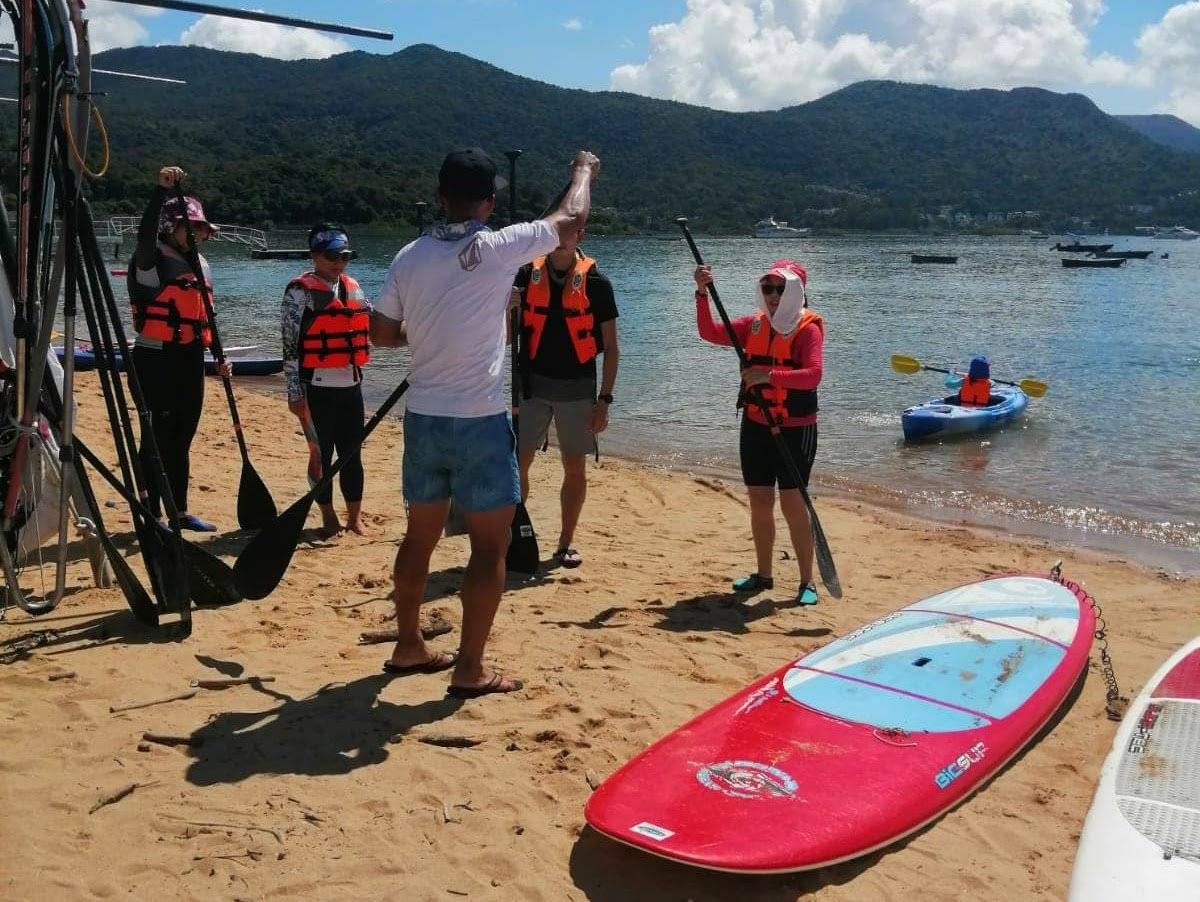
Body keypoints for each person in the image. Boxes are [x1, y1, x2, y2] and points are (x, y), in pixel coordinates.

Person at [371, 147, 600, 697]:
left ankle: (408, 646)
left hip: (424, 418)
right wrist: (583, 172)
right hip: (478, 421)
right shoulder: (498, 247)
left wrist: (425, 335)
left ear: (439, 197)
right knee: (488, 551)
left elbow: (380, 334)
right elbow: (572, 221)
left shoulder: (408, 256)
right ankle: (469, 669)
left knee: (419, 539)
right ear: (489, 203)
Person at [694, 259, 824, 606]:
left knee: (793, 503)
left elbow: (812, 375)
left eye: (781, 289)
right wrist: (701, 293)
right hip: (756, 425)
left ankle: (807, 581)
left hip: (795, 429)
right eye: (767, 288)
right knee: (760, 501)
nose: (773, 295)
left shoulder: (807, 330)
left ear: (797, 291)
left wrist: (769, 375)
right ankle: (764, 575)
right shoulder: (752, 325)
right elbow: (709, 332)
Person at [127, 165, 230, 532]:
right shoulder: (150, 261)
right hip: (155, 360)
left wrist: (219, 356)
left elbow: (209, 316)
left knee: (182, 437)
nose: (200, 234)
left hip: (189, 359)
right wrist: (161, 193)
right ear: (172, 227)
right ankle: (150, 513)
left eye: (203, 228)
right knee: (157, 438)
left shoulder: (201, 265)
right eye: (194, 227)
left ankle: (180, 511)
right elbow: (144, 234)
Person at [513, 229, 619, 568]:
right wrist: (508, 306)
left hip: (577, 389)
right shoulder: (525, 275)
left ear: (581, 234)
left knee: (574, 467)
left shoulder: (598, 283)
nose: (561, 239)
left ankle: (565, 543)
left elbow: (612, 348)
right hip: (531, 386)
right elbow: (504, 336)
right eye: (555, 231)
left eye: (569, 232)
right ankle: (512, 534)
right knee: (518, 464)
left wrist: (604, 400)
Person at [282, 224, 371, 536]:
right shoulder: (300, 291)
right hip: (315, 388)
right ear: (315, 255)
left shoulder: (353, 288)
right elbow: (290, 346)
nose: (339, 261)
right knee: (322, 455)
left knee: (353, 455)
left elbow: (374, 322)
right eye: (332, 255)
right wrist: (294, 392)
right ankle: (328, 516)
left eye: (344, 255)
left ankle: (354, 517)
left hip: (351, 386)